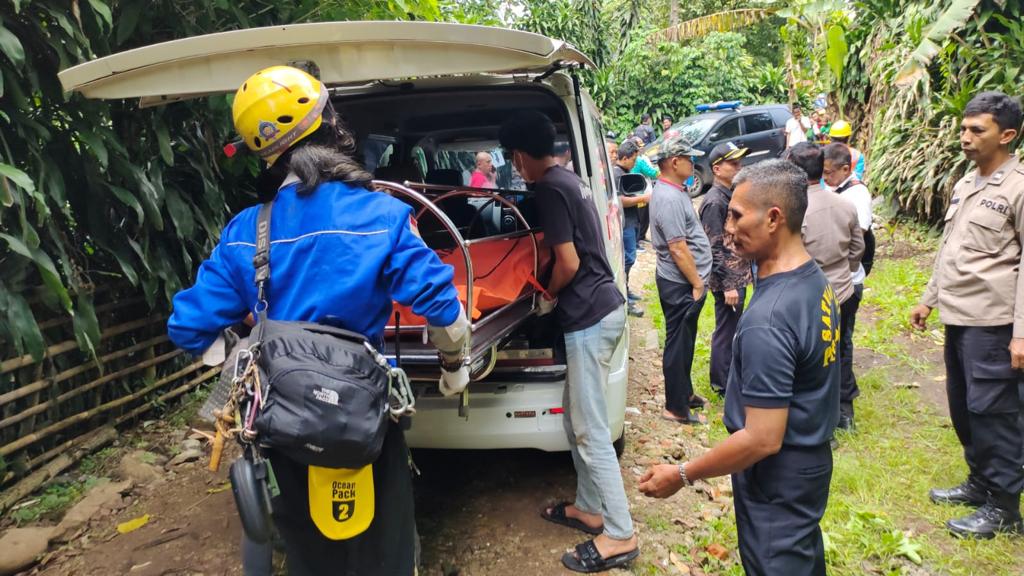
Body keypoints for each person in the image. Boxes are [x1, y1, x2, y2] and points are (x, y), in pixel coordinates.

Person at [166, 65, 470, 575]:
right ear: (332, 126)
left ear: (264, 153)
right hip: (364, 419)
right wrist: (453, 367)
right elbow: (446, 312)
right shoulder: (382, 215)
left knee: (306, 552)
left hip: (284, 427)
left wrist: (248, 355)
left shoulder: (247, 231)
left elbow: (187, 327)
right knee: (385, 553)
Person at [639, 159, 840, 576]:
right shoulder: (814, 280)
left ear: (773, 218)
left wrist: (682, 473)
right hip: (809, 463)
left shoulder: (769, 319)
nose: (727, 226)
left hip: (777, 477)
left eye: (735, 214)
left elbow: (763, 438)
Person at [499, 111, 638, 572]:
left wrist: (546, 296)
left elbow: (569, 262)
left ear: (519, 157)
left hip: (588, 316)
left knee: (590, 428)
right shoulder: (569, 180)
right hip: (602, 309)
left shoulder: (549, 189)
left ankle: (620, 534)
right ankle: (589, 508)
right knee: (577, 418)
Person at [910, 91, 1024, 538]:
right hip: (958, 318)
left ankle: (1004, 508)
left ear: (1007, 135)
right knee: (964, 407)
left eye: (977, 130)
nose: (965, 137)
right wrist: (928, 298)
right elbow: (950, 250)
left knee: (994, 412)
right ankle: (980, 483)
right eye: (963, 128)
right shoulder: (966, 184)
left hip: (994, 323)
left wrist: (1021, 334)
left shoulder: (1018, 188)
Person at [786, 142, 863, 431]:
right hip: (842, 289)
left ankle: (819, 423)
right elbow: (857, 248)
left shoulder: (796, 210)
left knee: (811, 360)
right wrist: (844, 269)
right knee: (840, 350)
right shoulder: (844, 204)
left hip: (808, 293)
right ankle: (845, 413)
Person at [649, 135, 712, 424]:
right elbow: (677, 247)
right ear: (675, 162)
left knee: (686, 341)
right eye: (689, 159)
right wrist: (697, 283)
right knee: (677, 343)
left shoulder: (675, 190)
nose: (694, 163)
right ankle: (674, 408)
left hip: (683, 281)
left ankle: (684, 394)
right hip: (680, 283)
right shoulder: (669, 197)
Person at [699, 142, 753, 397]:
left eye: (739, 162)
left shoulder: (729, 195)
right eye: (733, 164)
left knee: (734, 327)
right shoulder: (714, 201)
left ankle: (730, 376)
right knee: (726, 329)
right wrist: (728, 284)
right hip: (726, 279)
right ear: (717, 169)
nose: (738, 168)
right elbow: (713, 246)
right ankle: (721, 383)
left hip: (738, 274)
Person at [612, 139, 651, 317]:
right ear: (625, 157)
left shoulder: (624, 172)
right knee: (627, 259)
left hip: (631, 222)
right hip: (625, 224)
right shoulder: (617, 174)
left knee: (629, 258)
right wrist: (643, 198)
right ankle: (623, 297)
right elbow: (619, 201)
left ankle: (625, 290)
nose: (635, 163)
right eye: (634, 160)